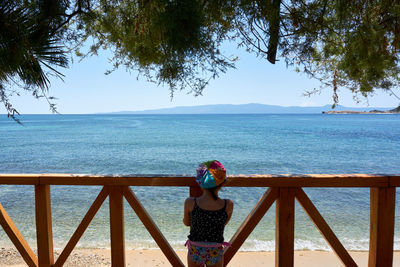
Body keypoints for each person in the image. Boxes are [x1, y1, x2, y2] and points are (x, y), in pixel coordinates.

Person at [183, 160, 234, 267]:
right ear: (221, 184)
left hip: (195, 249)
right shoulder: (228, 204)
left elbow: (187, 223)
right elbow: (224, 223)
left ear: (200, 182)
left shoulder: (190, 202)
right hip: (215, 249)